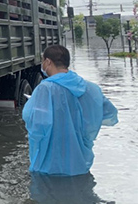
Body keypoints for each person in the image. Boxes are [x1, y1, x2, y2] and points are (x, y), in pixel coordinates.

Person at [22, 45, 118, 176]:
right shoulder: (90, 88)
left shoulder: (45, 89)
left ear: (48, 62)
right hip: (80, 162)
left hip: (50, 163)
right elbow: (109, 114)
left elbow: (36, 123)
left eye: (43, 61)